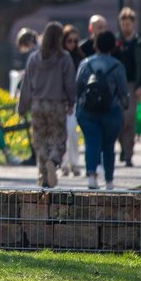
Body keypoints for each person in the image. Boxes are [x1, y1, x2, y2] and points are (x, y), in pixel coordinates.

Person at [17, 21, 77, 188]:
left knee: (40, 140)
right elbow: (70, 83)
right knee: (58, 138)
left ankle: (43, 175)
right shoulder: (64, 58)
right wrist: (71, 101)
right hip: (57, 104)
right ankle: (54, 160)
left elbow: (26, 84)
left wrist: (22, 107)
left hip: (37, 104)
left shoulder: (34, 58)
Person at [76, 30, 128, 190]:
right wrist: (124, 106)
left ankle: (91, 176)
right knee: (109, 146)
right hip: (111, 111)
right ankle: (109, 180)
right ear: (113, 46)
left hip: (88, 111)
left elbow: (78, 86)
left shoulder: (86, 63)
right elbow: (123, 91)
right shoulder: (117, 66)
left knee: (91, 142)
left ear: (96, 44)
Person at [115, 7, 141, 167]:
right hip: (118, 86)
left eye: (128, 24)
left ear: (133, 24)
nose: (125, 27)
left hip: (133, 85)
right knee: (119, 120)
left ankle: (128, 153)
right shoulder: (116, 42)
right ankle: (123, 147)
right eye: (123, 24)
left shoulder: (140, 43)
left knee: (129, 119)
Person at [60, 25, 85, 176]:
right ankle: (63, 164)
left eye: (76, 41)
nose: (73, 44)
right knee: (61, 133)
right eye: (69, 40)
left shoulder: (80, 57)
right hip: (59, 100)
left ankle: (75, 163)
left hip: (75, 100)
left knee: (72, 132)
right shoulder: (59, 57)